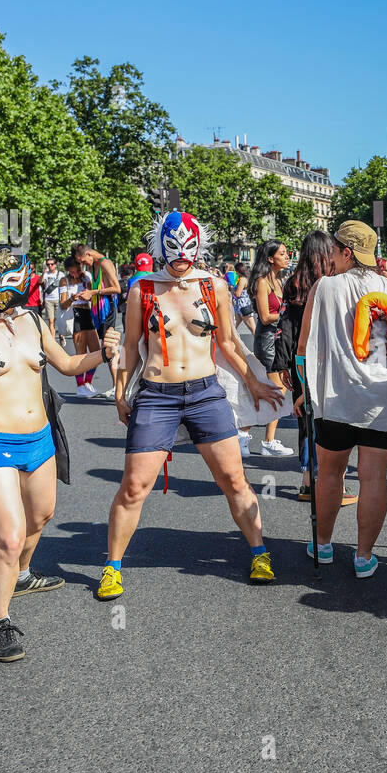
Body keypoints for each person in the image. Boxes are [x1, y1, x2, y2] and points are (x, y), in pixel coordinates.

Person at [0, 246, 121, 662]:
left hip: (40, 439)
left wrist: (105, 354)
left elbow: (69, 365)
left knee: (41, 516)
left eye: (11, 280)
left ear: (26, 277)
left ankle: (20, 575)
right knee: (9, 536)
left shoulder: (33, 319)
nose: (2, 289)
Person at [102, 211, 285, 598]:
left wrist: (253, 381)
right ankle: (113, 566)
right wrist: (120, 391)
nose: (181, 258)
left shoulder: (212, 286)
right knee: (134, 486)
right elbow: (132, 348)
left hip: (205, 393)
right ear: (161, 247)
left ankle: (259, 552)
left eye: (188, 250)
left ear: (198, 246)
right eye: (174, 250)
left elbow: (229, 343)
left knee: (234, 479)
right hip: (156, 395)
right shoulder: (143, 289)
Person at [296, 220, 387, 578]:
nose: (331, 258)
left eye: (335, 250)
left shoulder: (324, 288)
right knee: (374, 478)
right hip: (384, 397)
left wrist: (304, 390)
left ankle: (322, 545)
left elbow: (303, 348)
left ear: (346, 252)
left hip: (336, 397)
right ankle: (363, 555)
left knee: (329, 475)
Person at [273, 232, 359, 506]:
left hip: (301, 360)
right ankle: (336, 483)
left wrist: (283, 363)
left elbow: (285, 326)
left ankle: (308, 480)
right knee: (333, 419)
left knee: (305, 419)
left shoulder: (294, 283)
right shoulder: (334, 283)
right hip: (329, 357)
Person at [246, 240, 296, 458]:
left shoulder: (280, 280)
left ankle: (254, 437)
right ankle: (261, 439)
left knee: (278, 391)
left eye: (287, 253)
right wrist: (290, 315)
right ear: (270, 258)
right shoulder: (262, 282)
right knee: (277, 390)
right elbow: (265, 317)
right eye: (283, 254)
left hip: (280, 338)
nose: (287, 257)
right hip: (268, 340)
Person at [71, 241, 122, 397]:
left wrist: (93, 293)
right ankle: (117, 386)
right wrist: (86, 293)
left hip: (108, 310)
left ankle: (119, 387)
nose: (83, 265)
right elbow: (99, 287)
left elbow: (117, 289)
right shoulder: (93, 265)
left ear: (89, 254)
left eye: (83, 261)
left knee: (111, 347)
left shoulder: (105, 263)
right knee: (109, 347)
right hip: (98, 311)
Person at [39, 259, 62, 338]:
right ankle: (53, 340)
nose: (50, 266)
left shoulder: (60, 274)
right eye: (48, 264)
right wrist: (43, 274)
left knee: (59, 320)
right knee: (51, 321)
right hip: (48, 299)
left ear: (55, 265)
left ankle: (61, 335)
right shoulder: (46, 274)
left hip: (58, 299)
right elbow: (40, 282)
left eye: (51, 264)